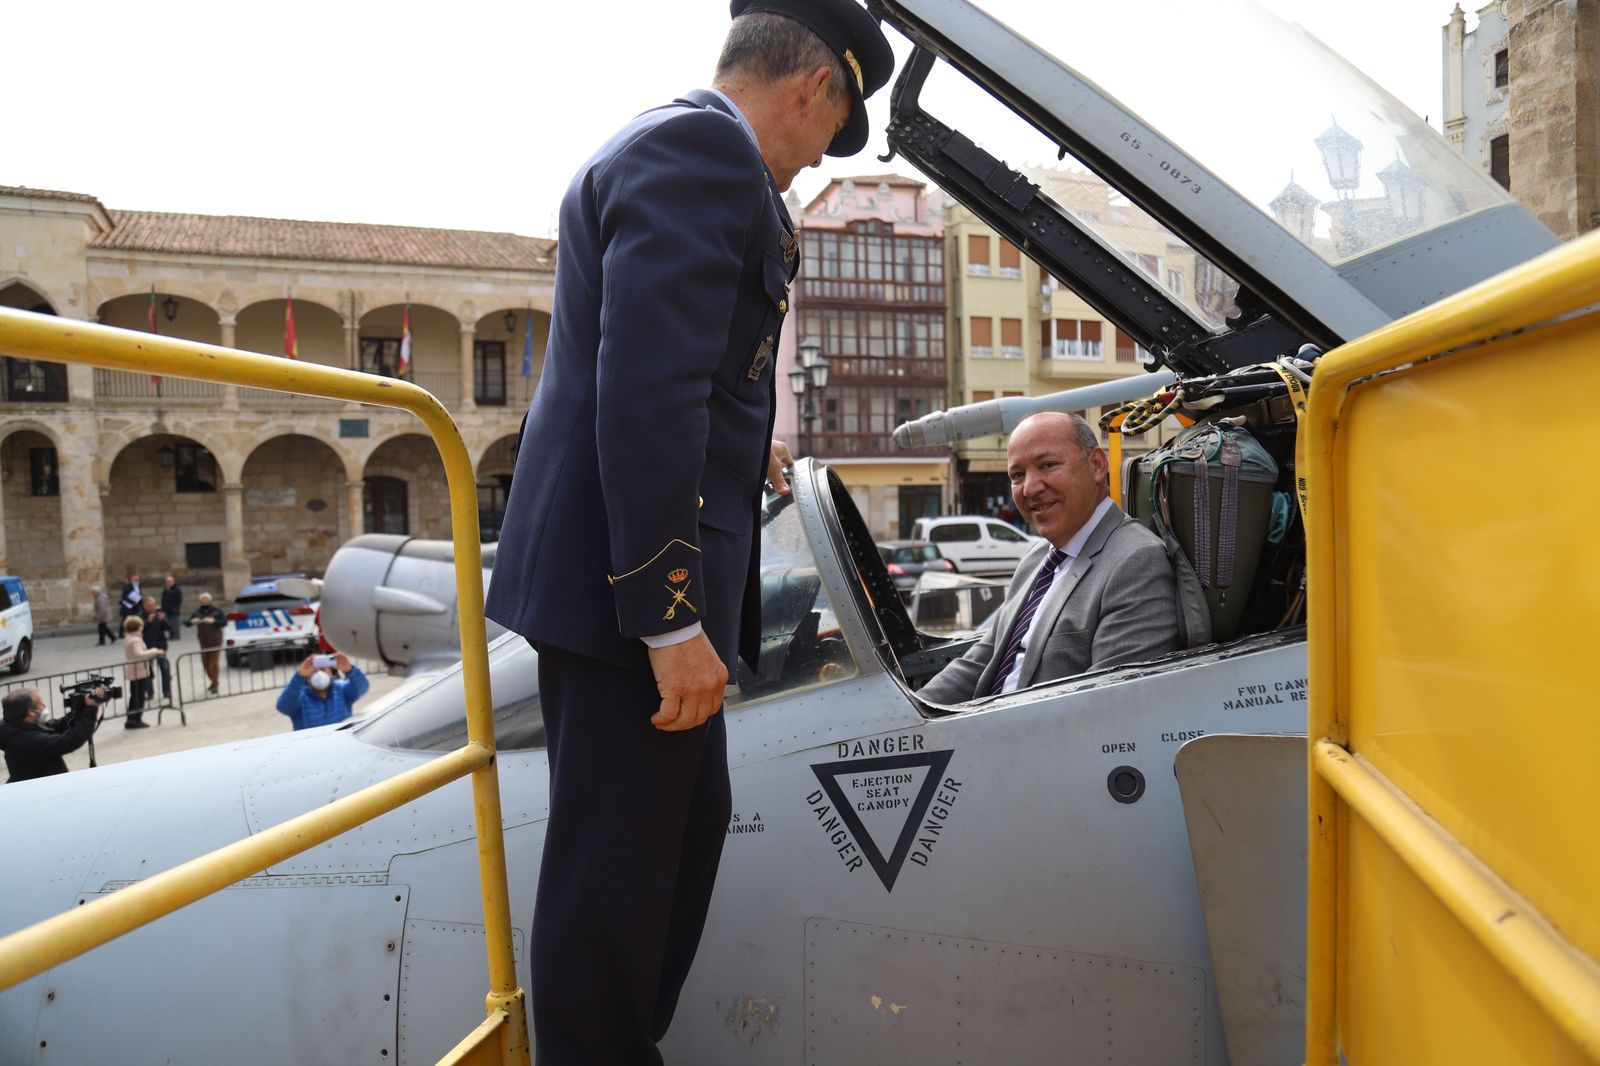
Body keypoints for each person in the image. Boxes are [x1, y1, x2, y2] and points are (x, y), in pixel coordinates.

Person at [481, 3, 893, 1062]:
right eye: (830, 132)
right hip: (628, 593)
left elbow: (673, 368)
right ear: (815, 87)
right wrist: (668, 620)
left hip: (613, 573)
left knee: (678, 837)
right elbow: (648, 392)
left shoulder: (671, 139)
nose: (816, 161)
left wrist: (744, 448)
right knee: (614, 881)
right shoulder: (706, 156)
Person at [917, 413, 1181, 703]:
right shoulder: (1038, 557)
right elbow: (982, 659)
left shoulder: (1137, 561)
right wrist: (911, 713)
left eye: (1047, 465)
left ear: (1096, 465)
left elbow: (1107, 707)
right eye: (1017, 475)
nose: (1030, 488)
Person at [0, 686, 102, 783]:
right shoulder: (27, 740)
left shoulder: (16, 726)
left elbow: (56, 726)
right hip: (43, 789)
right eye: (40, 703)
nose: (44, 706)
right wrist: (91, 709)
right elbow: (70, 740)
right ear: (31, 712)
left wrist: (80, 708)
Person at [275, 652, 368, 730]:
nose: (319, 673)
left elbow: (362, 687)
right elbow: (283, 706)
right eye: (313, 671)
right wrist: (299, 676)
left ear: (330, 673)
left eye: (323, 670)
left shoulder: (341, 689)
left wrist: (350, 670)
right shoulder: (300, 697)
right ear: (307, 676)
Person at [121, 614, 164, 729]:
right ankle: (135, 719)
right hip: (138, 669)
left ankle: (132, 718)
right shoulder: (135, 640)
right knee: (138, 696)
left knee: (135, 695)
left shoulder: (128, 638)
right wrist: (154, 651)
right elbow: (138, 654)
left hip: (134, 668)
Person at [187, 591, 225, 695]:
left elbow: (224, 622)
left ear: (210, 601)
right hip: (204, 641)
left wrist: (214, 621)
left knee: (214, 663)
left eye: (206, 601)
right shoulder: (197, 612)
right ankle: (214, 681)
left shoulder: (217, 611)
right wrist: (192, 621)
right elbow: (187, 623)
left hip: (215, 640)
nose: (204, 603)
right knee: (206, 663)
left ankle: (215, 684)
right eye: (202, 601)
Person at [141, 596, 173, 706]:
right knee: (148, 672)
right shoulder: (140, 616)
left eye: (153, 605)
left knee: (165, 669)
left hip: (160, 647)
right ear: (145, 606)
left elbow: (169, 628)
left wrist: (163, 620)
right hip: (147, 648)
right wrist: (148, 622)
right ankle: (149, 693)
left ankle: (167, 691)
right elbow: (138, 630)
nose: (152, 608)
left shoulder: (159, 614)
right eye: (150, 606)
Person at [161, 575, 183, 641]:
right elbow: (163, 599)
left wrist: (175, 608)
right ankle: (171, 635)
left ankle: (176, 635)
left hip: (174, 609)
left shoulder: (176, 589)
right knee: (169, 623)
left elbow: (179, 599)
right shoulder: (166, 589)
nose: (168, 583)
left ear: (173, 582)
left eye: (170, 581)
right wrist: (163, 608)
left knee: (174, 623)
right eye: (167, 582)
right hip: (166, 609)